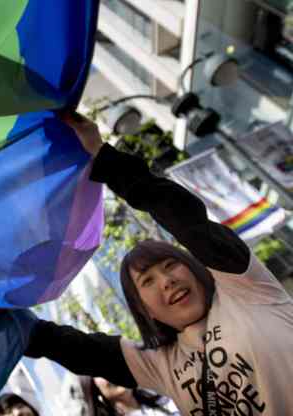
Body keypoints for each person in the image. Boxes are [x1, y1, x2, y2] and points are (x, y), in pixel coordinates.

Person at [24, 111, 293, 414]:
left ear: (195, 267)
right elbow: (60, 344)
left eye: (169, 265)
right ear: (144, 309)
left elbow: (185, 219)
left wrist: (104, 157)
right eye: (147, 282)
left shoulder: (245, 290)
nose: (167, 281)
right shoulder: (160, 364)